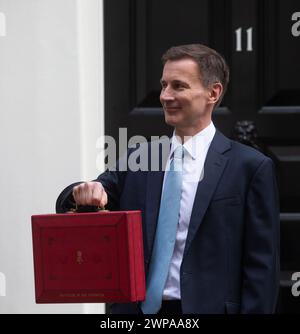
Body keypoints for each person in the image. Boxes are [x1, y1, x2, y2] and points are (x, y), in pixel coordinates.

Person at [56, 44, 280, 314]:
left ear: (213, 92)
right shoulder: (139, 157)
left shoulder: (250, 167)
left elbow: (261, 267)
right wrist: (84, 193)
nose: (165, 96)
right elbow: (82, 198)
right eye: (163, 85)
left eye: (178, 86)